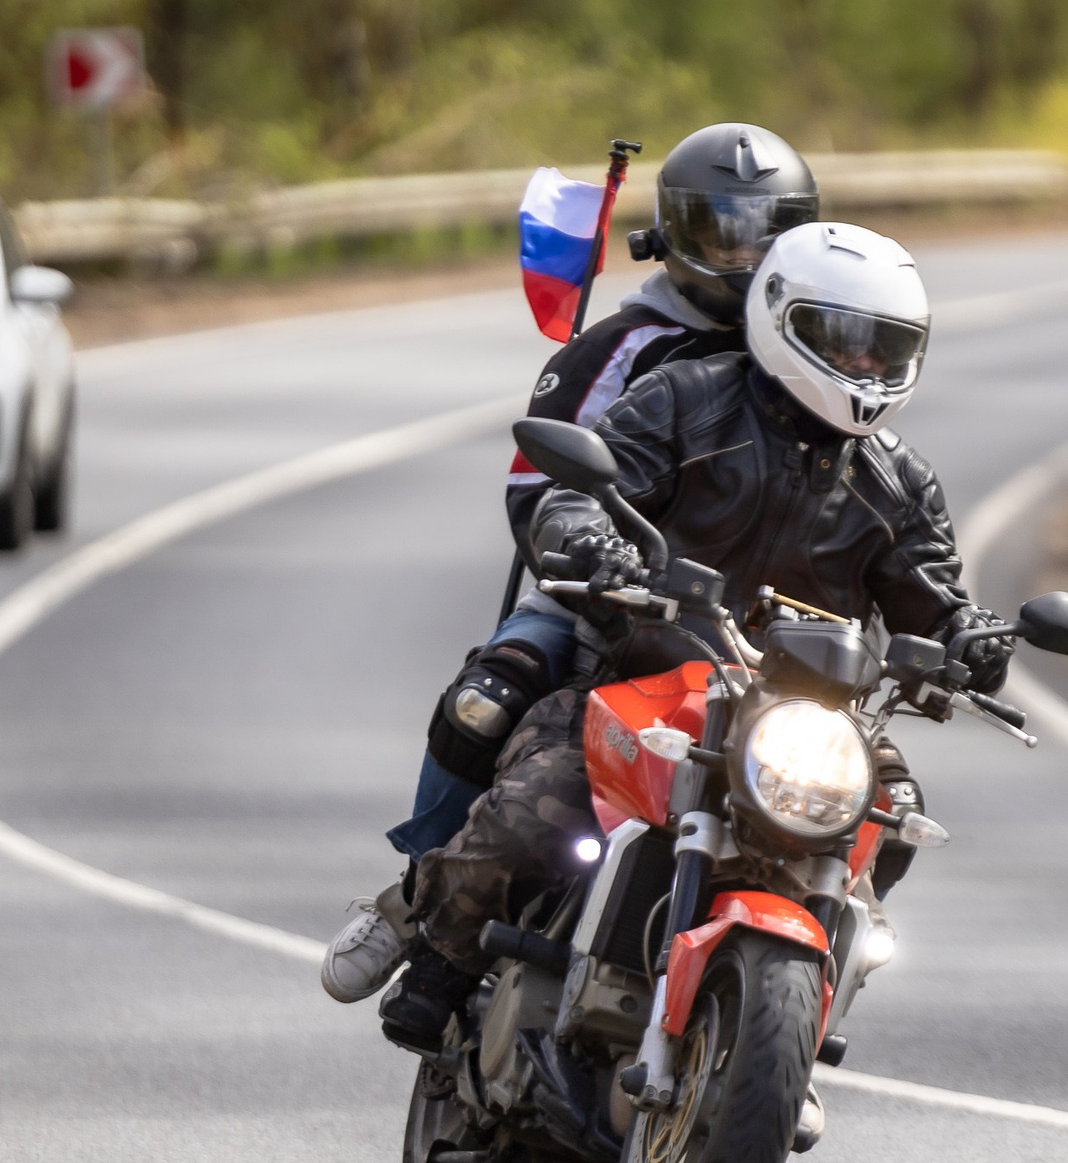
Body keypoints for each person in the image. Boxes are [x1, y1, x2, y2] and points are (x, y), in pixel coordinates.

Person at [328, 220, 1016, 1049]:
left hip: (807, 722)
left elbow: (932, 593)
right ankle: (443, 955)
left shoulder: (899, 481)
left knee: (894, 817)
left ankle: (790, 1029)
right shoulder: (684, 398)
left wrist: (970, 637)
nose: (865, 366)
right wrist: (586, 532)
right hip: (647, 681)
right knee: (536, 810)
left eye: (885, 348)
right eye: (844, 341)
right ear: (779, 316)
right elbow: (586, 487)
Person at [321, 123, 818, 1004]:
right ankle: (416, 891)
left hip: (753, 628)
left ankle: (788, 1011)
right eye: (719, 229)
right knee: (494, 691)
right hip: (613, 593)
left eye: (764, 231)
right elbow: (533, 485)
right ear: (671, 234)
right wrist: (585, 552)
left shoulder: (820, 352)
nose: (741, 253)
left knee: (863, 790)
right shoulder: (624, 344)